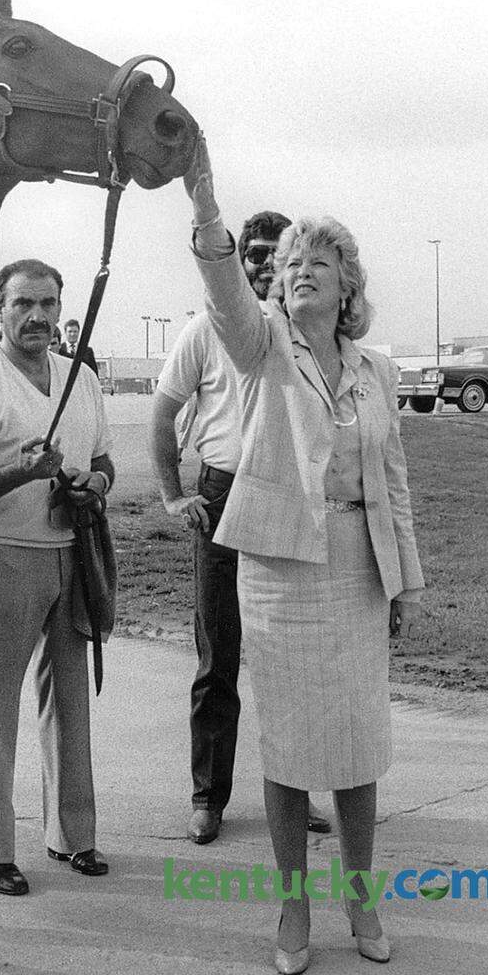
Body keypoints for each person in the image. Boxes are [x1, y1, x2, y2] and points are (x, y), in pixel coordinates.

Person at [182, 135, 424, 975]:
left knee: (357, 747)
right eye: (291, 262)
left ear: (348, 282)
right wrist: (206, 207)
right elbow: (224, 295)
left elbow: (391, 480)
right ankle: (293, 905)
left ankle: (361, 893)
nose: (302, 271)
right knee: (288, 747)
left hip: (359, 566)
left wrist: (403, 581)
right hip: (281, 572)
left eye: (321, 260)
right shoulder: (262, 349)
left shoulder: (378, 370)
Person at [150, 211, 332, 846]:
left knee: (291, 660)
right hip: (223, 495)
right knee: (217, 657)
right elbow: (163, 412)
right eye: (252, 254)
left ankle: (296, 790)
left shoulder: (307, 337)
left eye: (274, 257)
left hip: (289, 495)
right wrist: (174, 495)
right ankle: (209, 796)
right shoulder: (205, 331)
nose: (261, 265)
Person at [0, 258, 115, 895]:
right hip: (2, 556)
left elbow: (104, 457)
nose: (39, 317)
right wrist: (23, 475)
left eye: (49, 304)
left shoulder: (80, 378)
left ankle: (72, 835)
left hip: (70, 554)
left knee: (70, 700)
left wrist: (96, 483)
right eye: (24, 303)